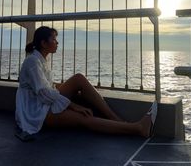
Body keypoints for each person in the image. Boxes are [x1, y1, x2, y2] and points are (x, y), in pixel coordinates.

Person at [15, 26, 157, 141]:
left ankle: (118, 121)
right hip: (37, 112)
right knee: (84, 118)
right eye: (54, 39)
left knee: (78, 78)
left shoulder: (41, 59)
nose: (57, 42)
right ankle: (138, 128)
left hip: (43, 103)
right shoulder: (33, 62)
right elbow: (44, 92)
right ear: (44, 43)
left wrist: (69, 93)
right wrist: (73, 105)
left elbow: (47, 86)